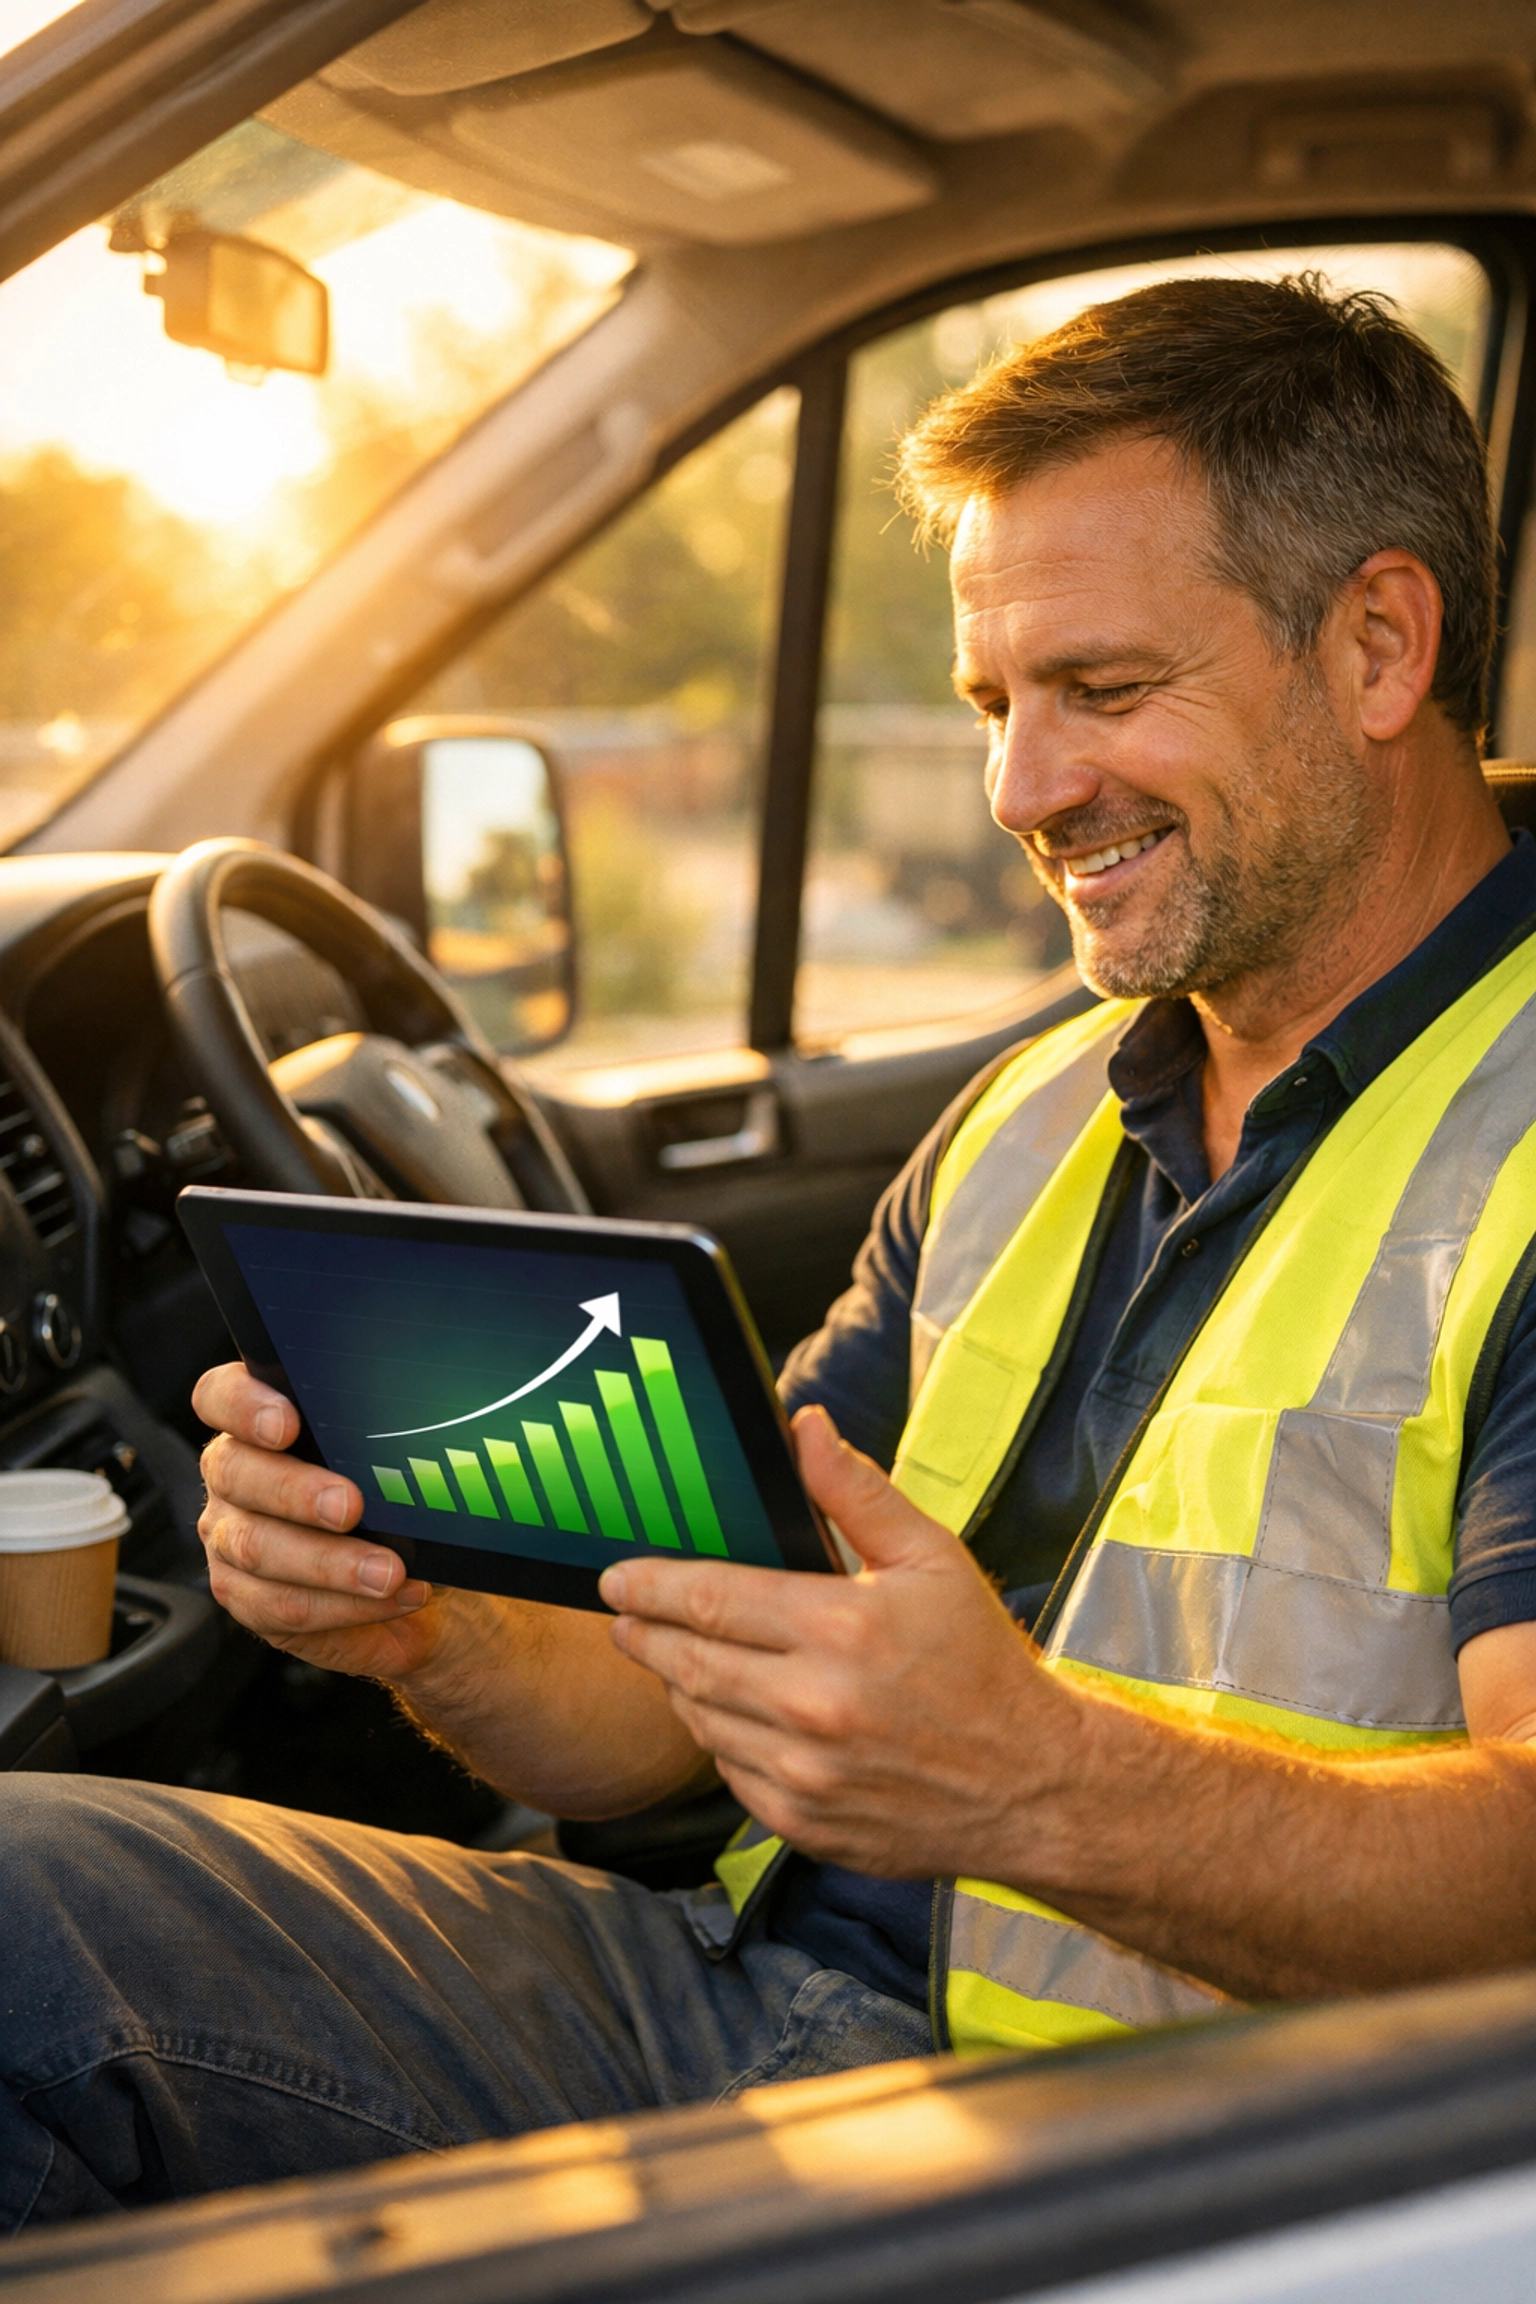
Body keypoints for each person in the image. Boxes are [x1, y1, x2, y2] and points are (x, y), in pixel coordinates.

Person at [9, 271, 1536, 2227]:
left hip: (1166, 2168)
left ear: (1383, 644)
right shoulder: (1030, 1117)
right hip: (755, 2006)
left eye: (1105, 688)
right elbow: (683, 1712)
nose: (1023, 792)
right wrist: (425, 1631)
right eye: (999, 705)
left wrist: (1025, 1780)